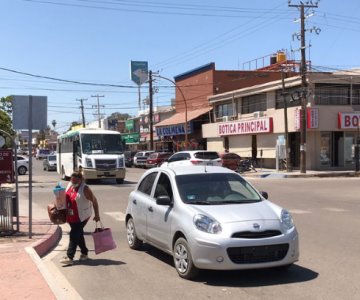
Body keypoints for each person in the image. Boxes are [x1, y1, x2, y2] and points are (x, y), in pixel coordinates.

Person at [60, 172, 100, 265]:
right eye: (72, 180)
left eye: (75, 180)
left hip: (82, 216)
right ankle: (84, 253)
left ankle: (69, 257)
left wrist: (97, 215)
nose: (73, 182)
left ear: (80, 180)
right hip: (71, 215)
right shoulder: (70, 185)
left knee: (74, 234)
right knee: (79, 234)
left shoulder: (85, 189)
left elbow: (94, 201)